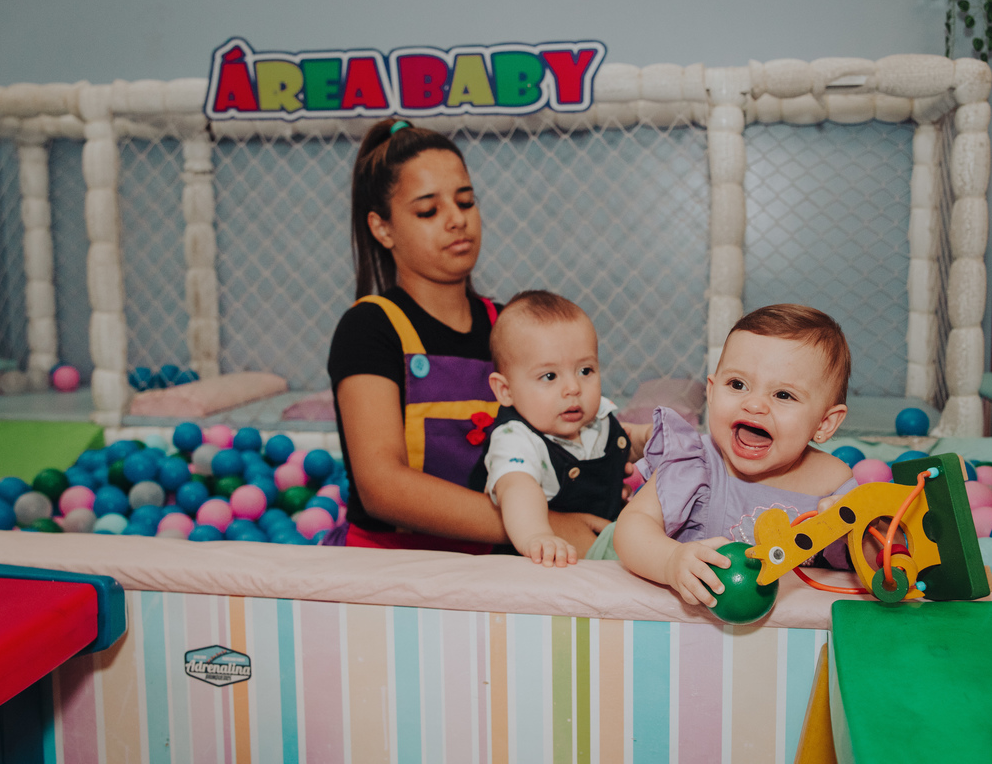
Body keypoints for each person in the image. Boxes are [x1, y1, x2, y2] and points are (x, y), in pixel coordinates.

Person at [321, 119, 609, 553]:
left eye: (466, 201)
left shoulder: (508, 327)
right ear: (382, 228)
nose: (457, 220)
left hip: (492, 564)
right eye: (428, 211)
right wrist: (534, 526)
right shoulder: (370, 328)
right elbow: (382, 487)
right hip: (389, 564)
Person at [613, 303, 857, 610]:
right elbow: (632, 526)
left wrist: (858, 530)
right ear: (712, 393)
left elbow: (883, 559)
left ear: (824, 423)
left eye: (783, 395)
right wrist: (670, 560)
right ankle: (633, 439)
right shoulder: (697, 462)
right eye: (738, 384)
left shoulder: (834, 483)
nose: (754, 405)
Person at [468, 290, 651, 567]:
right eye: (549, 376)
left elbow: (626, 440)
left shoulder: (595, 418)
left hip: (606, 557)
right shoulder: (515, 439)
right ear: (505, 391)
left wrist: (652, 437)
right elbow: (518, 488)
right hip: (541, 563)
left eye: (585, 371)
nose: (573, 388)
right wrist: (538, 535)